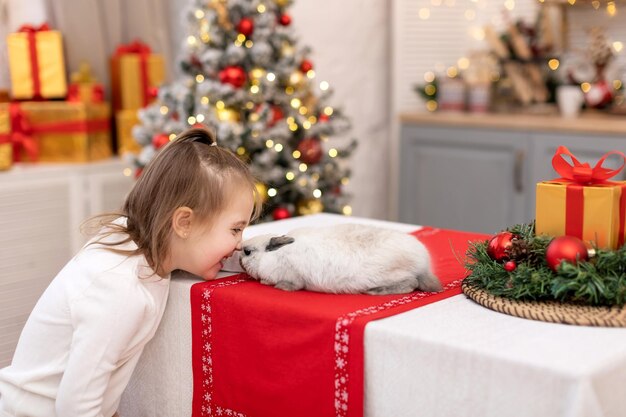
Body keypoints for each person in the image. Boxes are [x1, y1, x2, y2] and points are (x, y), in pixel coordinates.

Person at [0, 128, 262, 417]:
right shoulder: (120, 289)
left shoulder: (144, 246)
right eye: (235, 229)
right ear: (184, 223)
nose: (239, 244)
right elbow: (75, 408)